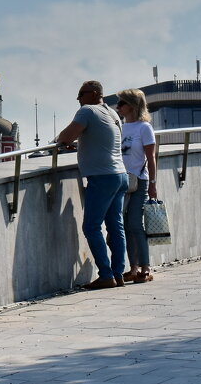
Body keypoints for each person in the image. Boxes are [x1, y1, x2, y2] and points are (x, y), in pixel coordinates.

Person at [56, 80, 127, 290]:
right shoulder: (113, 114)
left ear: (94, 93)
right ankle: (118, 273)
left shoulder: (87, 111)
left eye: (81, 93)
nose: (78, 98)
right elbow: (102, 139)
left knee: (91, 226)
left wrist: (66, 141)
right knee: (116, 226)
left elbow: (65, 136)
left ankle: (106, 275)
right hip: (120, 174)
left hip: (102, 176)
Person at [116, 88, 157, 283]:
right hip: (122, 180)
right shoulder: (120, 127)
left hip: (139, 181)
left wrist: (153, 184)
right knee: (123, 225)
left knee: (134, 223)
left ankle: (145, 267)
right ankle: (132, 268)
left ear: (131, 106)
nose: (118, 107)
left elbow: (151, 157)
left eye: (121, 103)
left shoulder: (144, 128)